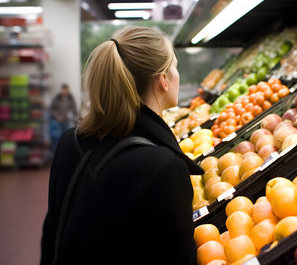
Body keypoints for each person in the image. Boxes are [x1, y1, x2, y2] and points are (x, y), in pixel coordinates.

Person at [40, 26, 204, 265]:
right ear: (163, 80)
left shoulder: (69, 143)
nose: (177, 74)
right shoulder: (164, 168)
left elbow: (52, 237)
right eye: (175, 66)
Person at [49, 84, 78, 151]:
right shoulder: (57, 98)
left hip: (67, 121)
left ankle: (65, 151)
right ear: (62, 90)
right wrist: (57, 116)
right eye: (64, 90)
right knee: (57, 138)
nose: (65, 91)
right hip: (58, 122)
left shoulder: (71, 98)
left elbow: (74, 110)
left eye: (67, 90)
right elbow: (52, 109)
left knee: (67, 138)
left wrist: (74, 117)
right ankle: (57, 151)